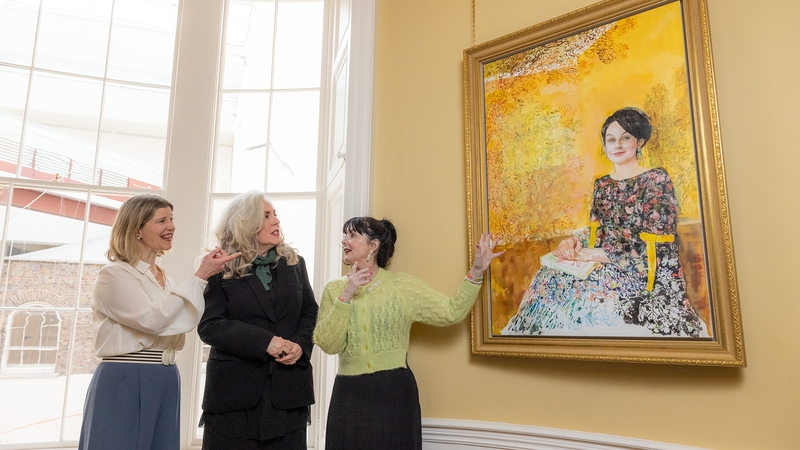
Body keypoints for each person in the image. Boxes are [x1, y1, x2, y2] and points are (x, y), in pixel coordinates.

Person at [502, 107, 705, 337]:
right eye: (611, 139)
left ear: (639, 142)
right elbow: (595, 233)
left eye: (625, 137)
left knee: (580, 295)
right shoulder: (603, 185)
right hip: (606, 265)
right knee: (547, 278)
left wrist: (596, 255)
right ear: (604, 145)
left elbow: (657, 246)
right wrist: (573, 243)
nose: (617, 145)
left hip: (645, 274)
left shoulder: (656, 179)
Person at [313, 217, 502, 450]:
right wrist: (347, 294)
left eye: (352, 235)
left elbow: (451, 312)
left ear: (373, 246)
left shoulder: (401, 287)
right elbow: (328, 343)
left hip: (394, 394)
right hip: (349, 396)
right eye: (345, 235)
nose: (344, 241)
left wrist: (476, 271)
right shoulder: (334, 289)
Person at [79, 194, 240, 450]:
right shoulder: (113, 275)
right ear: (137, 229)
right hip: (126, 377)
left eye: (171, 219)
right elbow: (153, 320)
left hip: (165, 375)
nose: (172, 226)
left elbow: (184, 319)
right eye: (161, 220)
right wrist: (200, 276)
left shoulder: (165, 278)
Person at [197, 191, 318, 450]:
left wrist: (300, 345)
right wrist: (266, 342)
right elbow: (210, 325)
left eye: (275, 215)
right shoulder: (219, 266)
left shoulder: (295, 263)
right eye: (266, 216)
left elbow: (310, 313)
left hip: (288, 393)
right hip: (234, 396)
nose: (275, 221)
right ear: (245, 223)